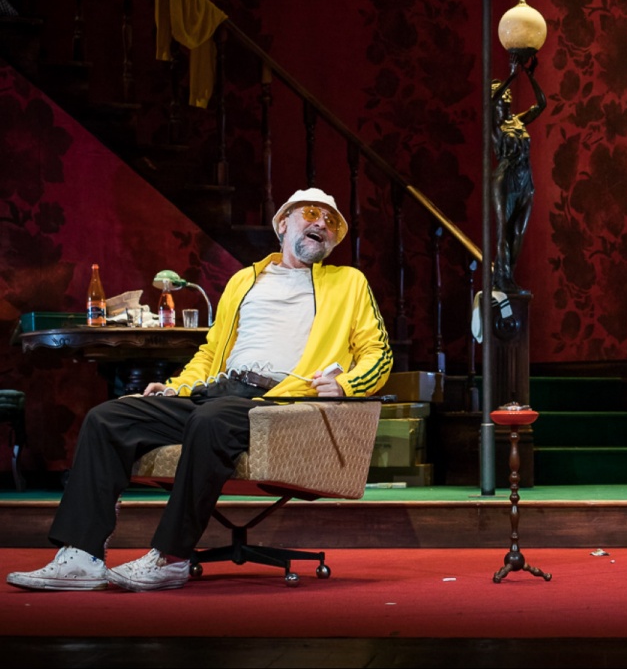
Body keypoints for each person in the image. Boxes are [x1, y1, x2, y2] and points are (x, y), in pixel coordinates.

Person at [7, 188, 392, 592]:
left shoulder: (348, 282)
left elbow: (379, 353)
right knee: (108, 417)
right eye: (311, 213)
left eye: (331, 222)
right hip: (222, 391)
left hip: (280, 401)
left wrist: (346, 383)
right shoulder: (245, 280)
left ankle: (171, 557)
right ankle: (82, 556)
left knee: (210, 421)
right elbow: (211, 351)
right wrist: (176, 388)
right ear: (283, 223)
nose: (322, 224)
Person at [490, 56, 546, 292]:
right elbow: (491, 102)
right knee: (504, 231)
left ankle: (508, 276)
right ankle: (503, 280)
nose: (507, 96)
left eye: (507, 93)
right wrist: (512, 76)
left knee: (519, 231)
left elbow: (541, 105)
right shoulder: (494, 126)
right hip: (505, 179)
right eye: (502, 94)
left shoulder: (517, 121)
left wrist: (530, 76)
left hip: (525, 180)